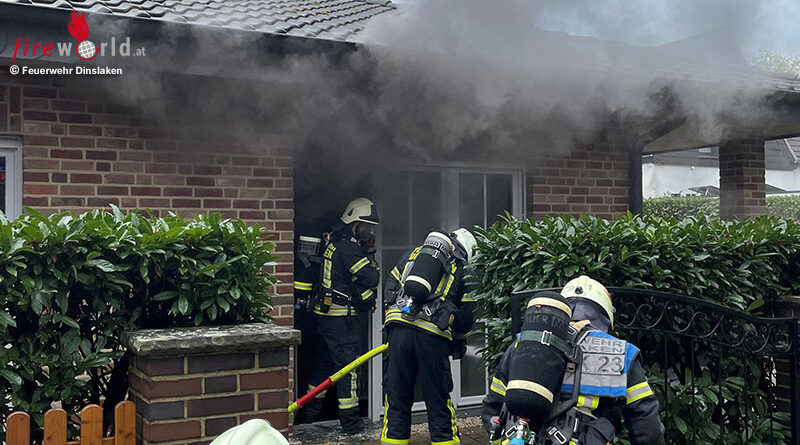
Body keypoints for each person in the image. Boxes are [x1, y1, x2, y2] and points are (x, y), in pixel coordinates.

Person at [481, 276, 665, 445]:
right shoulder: (622, 352)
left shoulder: (522, 343)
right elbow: (647, 426)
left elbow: (493, 408)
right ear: (605, 313)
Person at [381, 228, 478, 445]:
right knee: (437, 398)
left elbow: (390, 284)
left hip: (398, 328)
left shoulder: (412, 254)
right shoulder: (464, 267)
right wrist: (458, 339)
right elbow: (467, 315)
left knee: (397, 396)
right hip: (432, 335)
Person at [296, 197, 381, 434]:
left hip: (328, 319)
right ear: (354, 224)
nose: (369, 231)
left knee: (324, 367)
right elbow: (372, 278)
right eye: (365, 226)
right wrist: (372, 261)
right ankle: (352, 425)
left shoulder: (335, 242)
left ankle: (308, 416)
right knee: (348, 369)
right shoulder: (349, 249)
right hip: (340, 320)